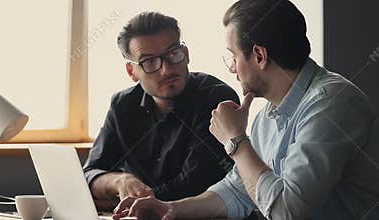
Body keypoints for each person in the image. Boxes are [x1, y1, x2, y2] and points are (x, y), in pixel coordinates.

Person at [113, 0, 379, 219]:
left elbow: (288, 212)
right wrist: (170, 208)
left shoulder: (332, 102)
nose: (231, 68)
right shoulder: (267, 115)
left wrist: (236, 142)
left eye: (233, 56)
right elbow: (238, 190)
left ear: (259, 56)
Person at [83, 12, 239, 211]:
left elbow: (194, 184)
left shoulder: (216, 98)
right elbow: (90, 173)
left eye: (173, 54)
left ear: (187, 54)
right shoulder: (122, 104)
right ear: (132, 72)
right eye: (149, 62)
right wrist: (119, 182)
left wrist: (121, 203)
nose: (166, 70)